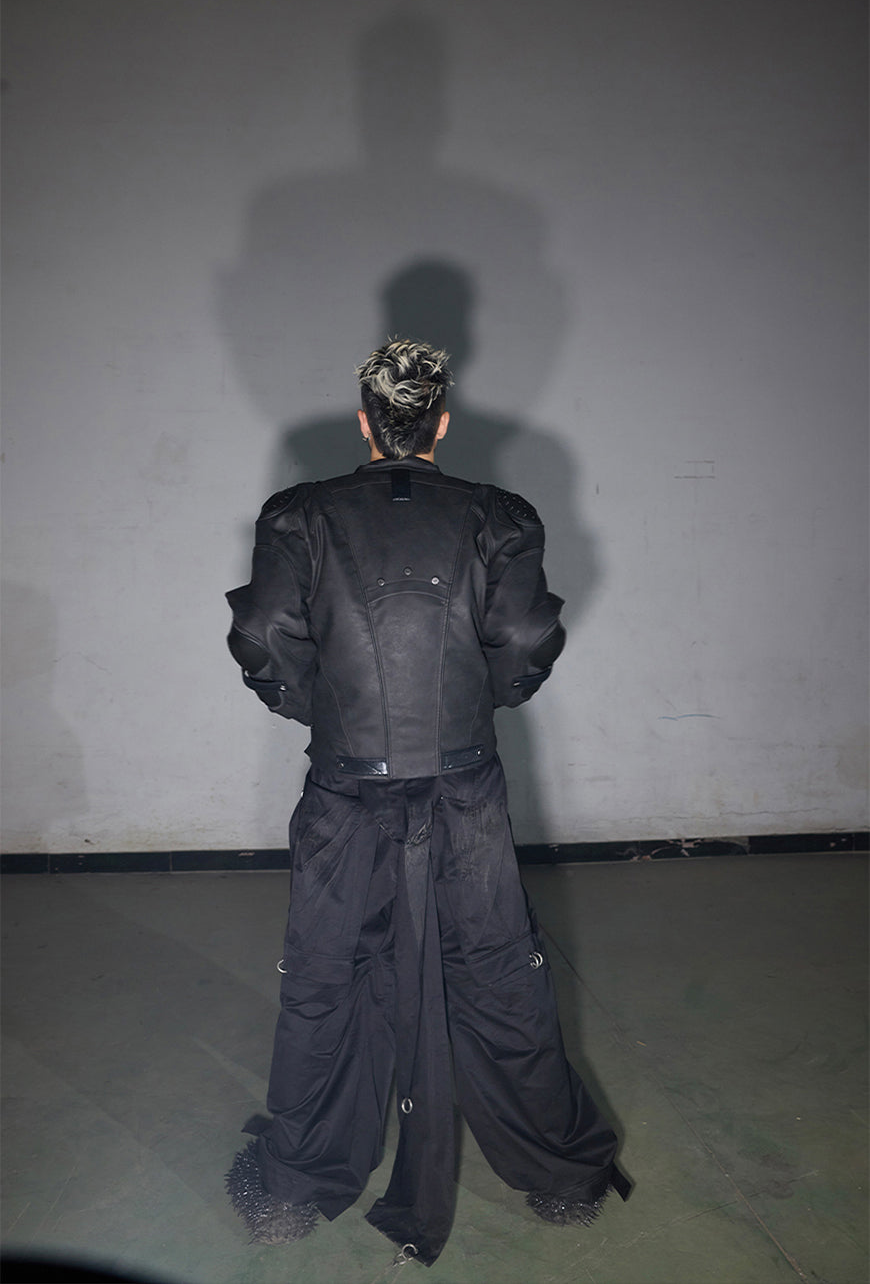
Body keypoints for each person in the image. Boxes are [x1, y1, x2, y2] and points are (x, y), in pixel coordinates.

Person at [224, 339, 629, 1265]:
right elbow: (525, 635)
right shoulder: (499, 517)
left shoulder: (299, 515)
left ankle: (295, 1189)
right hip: (464, 782)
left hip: (344, 787)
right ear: (441, 421)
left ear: (365, 422)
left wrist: (325, 709)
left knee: (328, 973)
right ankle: (561, 1179)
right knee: (498, 967)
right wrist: (481, 701)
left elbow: (262, 635)